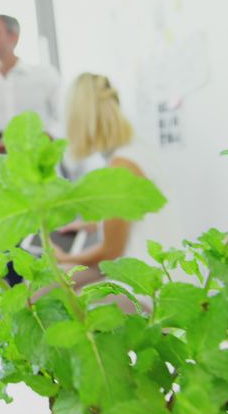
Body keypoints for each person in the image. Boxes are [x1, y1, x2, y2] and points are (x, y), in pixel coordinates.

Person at [54, 73, 179, 308]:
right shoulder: (138, 149)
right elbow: (137, 216)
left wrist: (65, 258)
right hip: (158, 274)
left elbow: (110, 251)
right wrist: (95, 224)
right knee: (57, 286)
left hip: (145, 292)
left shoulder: (121, 167)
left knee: (63, 305)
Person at [0, 14, 62, 186]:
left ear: (13, 36)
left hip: (39, 173)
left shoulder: (45, 76)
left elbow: (63, 120)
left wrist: (47, 137)